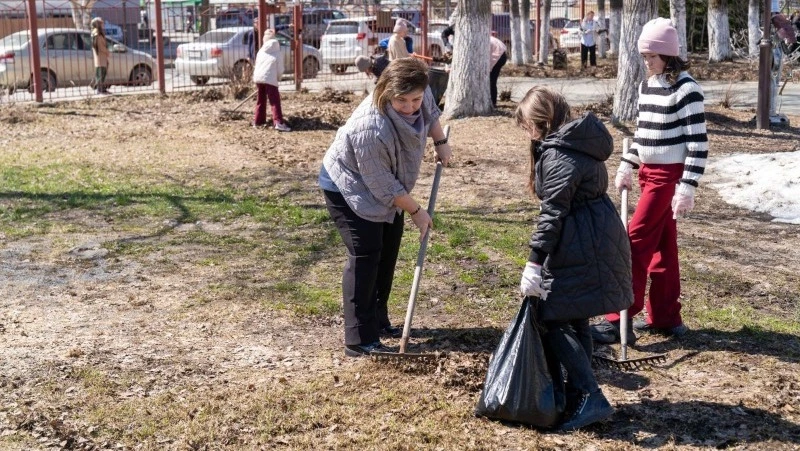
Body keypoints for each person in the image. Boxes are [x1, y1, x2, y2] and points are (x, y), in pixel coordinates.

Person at [516, 86, 632, 430]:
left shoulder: (561, 154)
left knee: (552, 319)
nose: (527, 134)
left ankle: (589, 394)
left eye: (527, 126)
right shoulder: (572, 143)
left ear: (542, 121)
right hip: (592, 236)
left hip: (583, 242)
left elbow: (553, 212)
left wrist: (534, 262)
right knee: (576, 317)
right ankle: (579, 393)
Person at [318, 58, 452, 357]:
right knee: (366, 254)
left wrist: (440, 141)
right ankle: (359, 339)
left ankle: (378, 320)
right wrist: (417, 212)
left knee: (388, 248)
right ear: (385, 92)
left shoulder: (420, 91)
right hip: (349, 185)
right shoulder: (370, 126)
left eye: (415, 99)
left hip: (386, 183)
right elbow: (382, 185)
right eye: (401, 101)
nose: (410, 106)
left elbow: (429, 111)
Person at [591, 18, 708, 344]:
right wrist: (628, 164)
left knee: (634, 243)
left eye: (651, 57)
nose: (646, 62)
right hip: (649, 175)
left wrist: (687, 186)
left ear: (668, 55)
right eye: (643, 56)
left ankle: (619, 319)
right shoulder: (648, 86)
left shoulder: (687, 90)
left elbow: (698, 144)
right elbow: (643, 137)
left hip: (668, 180)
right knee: (663, 249)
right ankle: (666, 317)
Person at [252, 29, 290, 132]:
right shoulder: (277, 51)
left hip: (259, 78)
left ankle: (258, 121)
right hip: (270, 78)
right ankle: (278, 122)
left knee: (261, 100)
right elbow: (280, 68)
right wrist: (278, 77)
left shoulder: (261, 51)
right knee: (274, 101)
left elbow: (257, 64)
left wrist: (257, 78)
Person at [90, 17, 110, 95]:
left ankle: (102, 88)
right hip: (100, 56)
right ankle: (99, 89)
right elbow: (100, 46)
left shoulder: (98, 33)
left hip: (101, 56)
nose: (103, 24)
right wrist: (107, 52)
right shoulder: (97, 34)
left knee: (102, 72)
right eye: (101, 23)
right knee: (101, 72)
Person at [489, 33, 507, 107]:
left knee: (491, 81)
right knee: (492, 80)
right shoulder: (487, 37)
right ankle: (493, 101)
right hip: (503, 55)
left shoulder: (481, 40)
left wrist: (488, 69)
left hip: (498, 57)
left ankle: (493, 102)